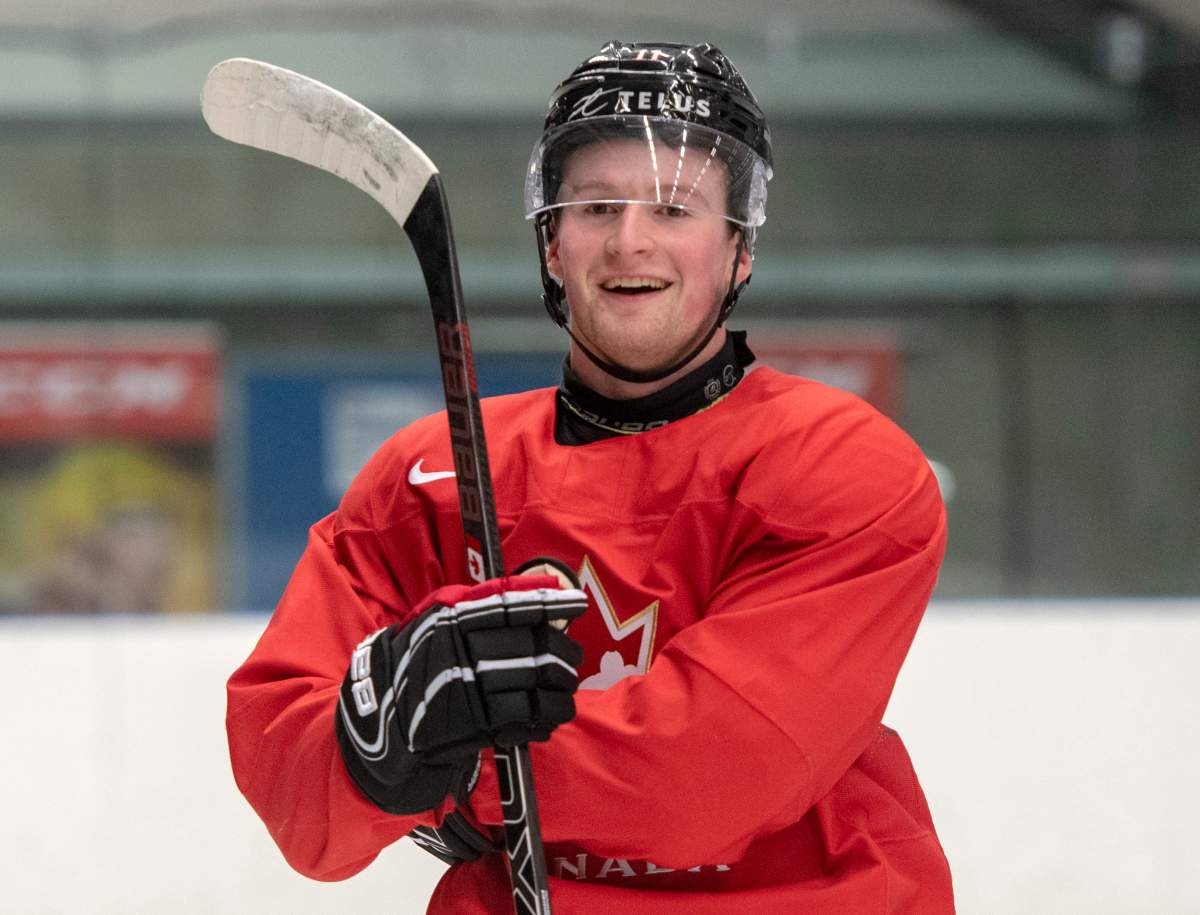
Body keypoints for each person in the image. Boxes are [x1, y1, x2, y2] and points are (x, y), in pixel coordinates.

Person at [227, 40, 954, 913]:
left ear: (739, 252)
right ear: (551, 245)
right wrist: (371, 753)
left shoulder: (839, 466)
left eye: (674, 208)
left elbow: (708, 778)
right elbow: (295, 785)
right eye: (596, 205)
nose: (629, 239)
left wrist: (451, 774)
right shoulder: (430, 479)